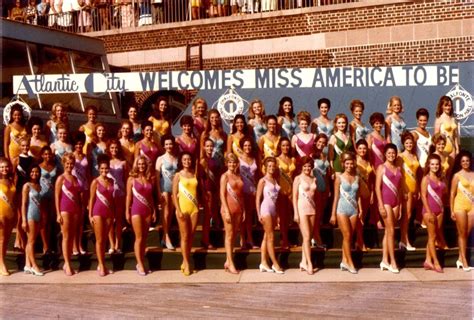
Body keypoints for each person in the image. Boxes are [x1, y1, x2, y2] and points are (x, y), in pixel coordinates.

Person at [125, 155, 156, 276]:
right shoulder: (131, 179)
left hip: (147, 210)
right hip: (136, 211)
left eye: (143, 164)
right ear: (136, 165)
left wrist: (153, 210)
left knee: (144, 239)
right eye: (139, 164)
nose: (141, 166)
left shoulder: (150, 178)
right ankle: (140, 264)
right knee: (138, 238)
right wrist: (127, 211)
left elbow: (151, 197)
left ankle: (141, 261)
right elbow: (128, 196)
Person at [330, 152, 361, 274]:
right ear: (343, 164)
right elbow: (336, 197)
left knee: (349, 238)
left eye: (351, 163)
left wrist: (360, 209)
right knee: (347, 236)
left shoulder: (357, 177)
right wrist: (333, 214)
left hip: (353, 210)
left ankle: (344, 261)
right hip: (341, 209)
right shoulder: (339, 178)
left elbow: (357, 196)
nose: (349, 165)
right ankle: (350, 263)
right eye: (347, 163)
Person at [172, 152, 200, 276]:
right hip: (182, 208)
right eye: (184, 159)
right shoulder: (178, 175)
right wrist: (178, 210)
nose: (187, 161)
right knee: (184, 236)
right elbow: (173, 194)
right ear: (181, 161)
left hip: (194, 208)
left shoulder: (194, 173)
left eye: (189, 159)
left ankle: (185, 260)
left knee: (191, 236)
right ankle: (186, 263)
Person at [55, 153, 82, 276]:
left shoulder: (75, 178)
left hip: (75, 209)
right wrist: (58, 213)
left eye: (71, 163)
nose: (70, 166)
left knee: (71, 237)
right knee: (66, 237)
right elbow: (57, 196)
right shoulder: (61, 178)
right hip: (64, 209)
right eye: (67, 163)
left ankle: (68, 262)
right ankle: (67, 264)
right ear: (63, 164)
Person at [375, 143, 402, 273]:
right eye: (389, 153)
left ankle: (384, 260)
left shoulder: (399, 169)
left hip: (396, 202)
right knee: (391, 231)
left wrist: (401, 205)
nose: (391, 155)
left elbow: (400, 188)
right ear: (385, 154)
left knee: (388, 232)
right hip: (385, 202)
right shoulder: (381, 167)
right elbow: (377, 188)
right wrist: (380, 205)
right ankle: (393, 262)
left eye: (393, 153)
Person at [256, 157, 284, 274]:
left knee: (266, 237)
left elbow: (276, 200)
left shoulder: (275, 179)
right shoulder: (262, 181)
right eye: (269, 166)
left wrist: (277, 214)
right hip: (265, 209)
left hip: (273, 210)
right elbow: (257, 199)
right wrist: (258, 214)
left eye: (273, 166)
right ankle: (275, 263)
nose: (272, 168)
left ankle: (263, 262)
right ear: (265, 167)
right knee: (271, 237)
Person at [89, 155, 115, 276]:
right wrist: (90, 215)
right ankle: (101, 266)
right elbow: (92, 199)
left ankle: (102, 264)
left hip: (108, 212)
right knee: (99, 240)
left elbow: (111, 199)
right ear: (99, 169)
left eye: (106, 168)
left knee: (104, 240)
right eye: (102, 169)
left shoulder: (111, 181)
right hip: (98, 212)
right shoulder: (95, 182)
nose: (104, 171)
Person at [420, 154, 446, 273]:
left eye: (437, 164)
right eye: (432, 164)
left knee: (434, 236)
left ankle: (427, 260)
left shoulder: (441, 178)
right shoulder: (426, 179)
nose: (435, 166)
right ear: (428, 165)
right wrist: (429, 212)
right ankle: (436, 262)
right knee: (432, 237)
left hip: (440, 210)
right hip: (428, 211)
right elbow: (424, 197)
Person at [220, 153, 244, 274]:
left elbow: (241, 195)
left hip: (238, 209)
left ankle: (227, 260)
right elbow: (222, 195)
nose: (232, 164)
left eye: (234, 162)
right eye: (229, 162)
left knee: (234, 235)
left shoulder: (239, 176)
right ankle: (231, 263)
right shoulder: (225, 177)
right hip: (228, 209)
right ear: (226, 163)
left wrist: (243, 210)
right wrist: (226, 211)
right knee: (229, 235)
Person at [293, 156, 318, 274]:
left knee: (307, 238)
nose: (307, 168)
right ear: (301, 167)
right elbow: (294, 197)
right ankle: (309, 263)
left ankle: (303, 262)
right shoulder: (297, 179)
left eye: (309, 166)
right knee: (307, 237)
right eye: (305, 166)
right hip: (301, 209)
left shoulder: (314, 179)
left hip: (312, 209)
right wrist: (295, 213)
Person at [450, 150, 474, 271]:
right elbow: (452, 193)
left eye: (467, 161)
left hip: (472, 206)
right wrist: (451, 210)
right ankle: (464, 260)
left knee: (466, 233)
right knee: (462, 233)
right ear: (460, 162)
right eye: (463, 161)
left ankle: (460, 258)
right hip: (459, 206)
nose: (465, 163)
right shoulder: (457, 176)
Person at [397, 132, 419, 251]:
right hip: (406, 190)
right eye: (407, 143)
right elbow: (399, 175)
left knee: (409, 216)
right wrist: (403, 191)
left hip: (414, 189)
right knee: (407, 216)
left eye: (411, 142)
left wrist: (418, 190)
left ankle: (403, 240)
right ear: (403, 144)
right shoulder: (400, 156)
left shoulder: (415, 156)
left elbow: (416, 174)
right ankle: (404, 240)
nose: (409, 144)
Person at [155, 134, 178, 250]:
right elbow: (157, 176)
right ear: (163, 146)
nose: (169, 146)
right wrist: (159, 191)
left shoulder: (176, 158)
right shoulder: (160, 159)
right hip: (164, 188)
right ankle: (167, 237)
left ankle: (164, 237)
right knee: (166, 212)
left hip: (174, 189)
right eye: (167, 144)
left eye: (170, 144)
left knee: (171, 214)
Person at [12, 137, 35, 251]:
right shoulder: (16, 160)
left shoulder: (32, 159)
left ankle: (25, 240)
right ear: (20, 147)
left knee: (27, 214)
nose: (25, 148)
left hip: (29, 190)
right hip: (19, 189)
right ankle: (18, 240)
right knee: (20, 216)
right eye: (23, 146)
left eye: (27, 145)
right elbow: (13, 175)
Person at [21, 165, 44, 276]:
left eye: (36, 172)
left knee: (31, 240)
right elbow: (23, 204)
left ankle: (27, 265)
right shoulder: (27, 186)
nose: (34, 174)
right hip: (30, 215)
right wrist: (24, 220)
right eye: (32, 172)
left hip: (38, 215)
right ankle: (34, 265)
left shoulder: (39, 186)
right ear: (29, 173)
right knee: (31, 242)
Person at [199, 138, 221, 249]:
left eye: (211, 146)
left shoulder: (216, 160)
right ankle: (205, 240)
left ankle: (214, 239)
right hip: (207, 192)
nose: (209, 148)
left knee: (215, 216)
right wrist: (203, 192)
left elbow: (217, 177)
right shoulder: (202, 161)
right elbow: (201, 179)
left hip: (215, 191)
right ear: (203, 147)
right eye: (207, 146)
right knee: (207, 217)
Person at [107, 140, 128, 254]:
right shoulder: (106, 163)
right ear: (109, 149)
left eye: (116, 148)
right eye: (112, 148)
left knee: (119, 220)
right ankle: (111, 244)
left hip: (120, 193)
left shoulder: (123, 163)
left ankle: (117, 243)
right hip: (109, 194)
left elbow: (126, 179)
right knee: (110, 220)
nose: (114, 150)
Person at [238, 136, 259, 249]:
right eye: (245, 145)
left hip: (252, 191)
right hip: (242, 191)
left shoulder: (255, 159)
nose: (247, 147)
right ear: (242, 147)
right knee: (243, 216)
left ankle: (250, 239)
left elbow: (257, 175)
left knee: (250, 216)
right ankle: (242, 240)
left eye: (249, 145)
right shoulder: (238, 159)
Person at [312, 133, 331, 249]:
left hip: (324, 187)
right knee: (316, 214)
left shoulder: (325, 155)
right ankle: (315, 238)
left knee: (320, 215)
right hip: (316, 188)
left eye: (324, 143)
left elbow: (327, 174)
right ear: (315, 142)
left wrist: (328, 188)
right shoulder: (311, 155)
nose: (321, 144)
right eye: (319, 142)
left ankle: (316, 236)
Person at [71, 132, 89, 255]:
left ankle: (79, 244)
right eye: (77, 144)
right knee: (74, 219)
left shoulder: (85, 156)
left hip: (84, 188)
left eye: (81, 144)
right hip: (73, 190)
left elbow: (88, 174)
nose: (79, 146)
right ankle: (73, 246)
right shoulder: (70, 157)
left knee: (81, 219)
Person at [276, 137, 295, 250]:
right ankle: (284, 240)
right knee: (282, 217)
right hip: (281, 191)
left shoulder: (293, 159)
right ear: (280, 147)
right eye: (283, 145)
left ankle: (287, 239)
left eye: (287, 145)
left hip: (291, 190)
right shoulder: (276, 160)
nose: (286, 147)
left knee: (289, 216)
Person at [355, 139, 373, 251]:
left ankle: (359, 241)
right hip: (357, 192)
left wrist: (371, 194)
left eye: (364, 148)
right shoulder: (354, 162)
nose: (362, 150)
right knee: (359, 218)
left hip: (367, 192)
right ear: (356, 149)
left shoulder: (368, 161)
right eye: (360, 148)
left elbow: (370, 180)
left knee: (363, 218)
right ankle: (360, 242)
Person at [39, 146, 58, 254]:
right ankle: (45, 245)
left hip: (52, 196)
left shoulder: (54, 166)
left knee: (50, 221)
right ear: (42, 155)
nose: (47, 156)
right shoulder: (39, 166)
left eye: (49, 154)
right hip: (42, 196)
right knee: (44, 220)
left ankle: (49, 245)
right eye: (45, 154)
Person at [0, 158, 16, 276]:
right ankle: (2, 264)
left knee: (6, 241)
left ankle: (2, 261)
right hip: (1, 214)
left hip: (11, 214)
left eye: (6, 166)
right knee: (1, 240)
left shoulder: (11, 180)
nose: (4, 169)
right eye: (1, 167)